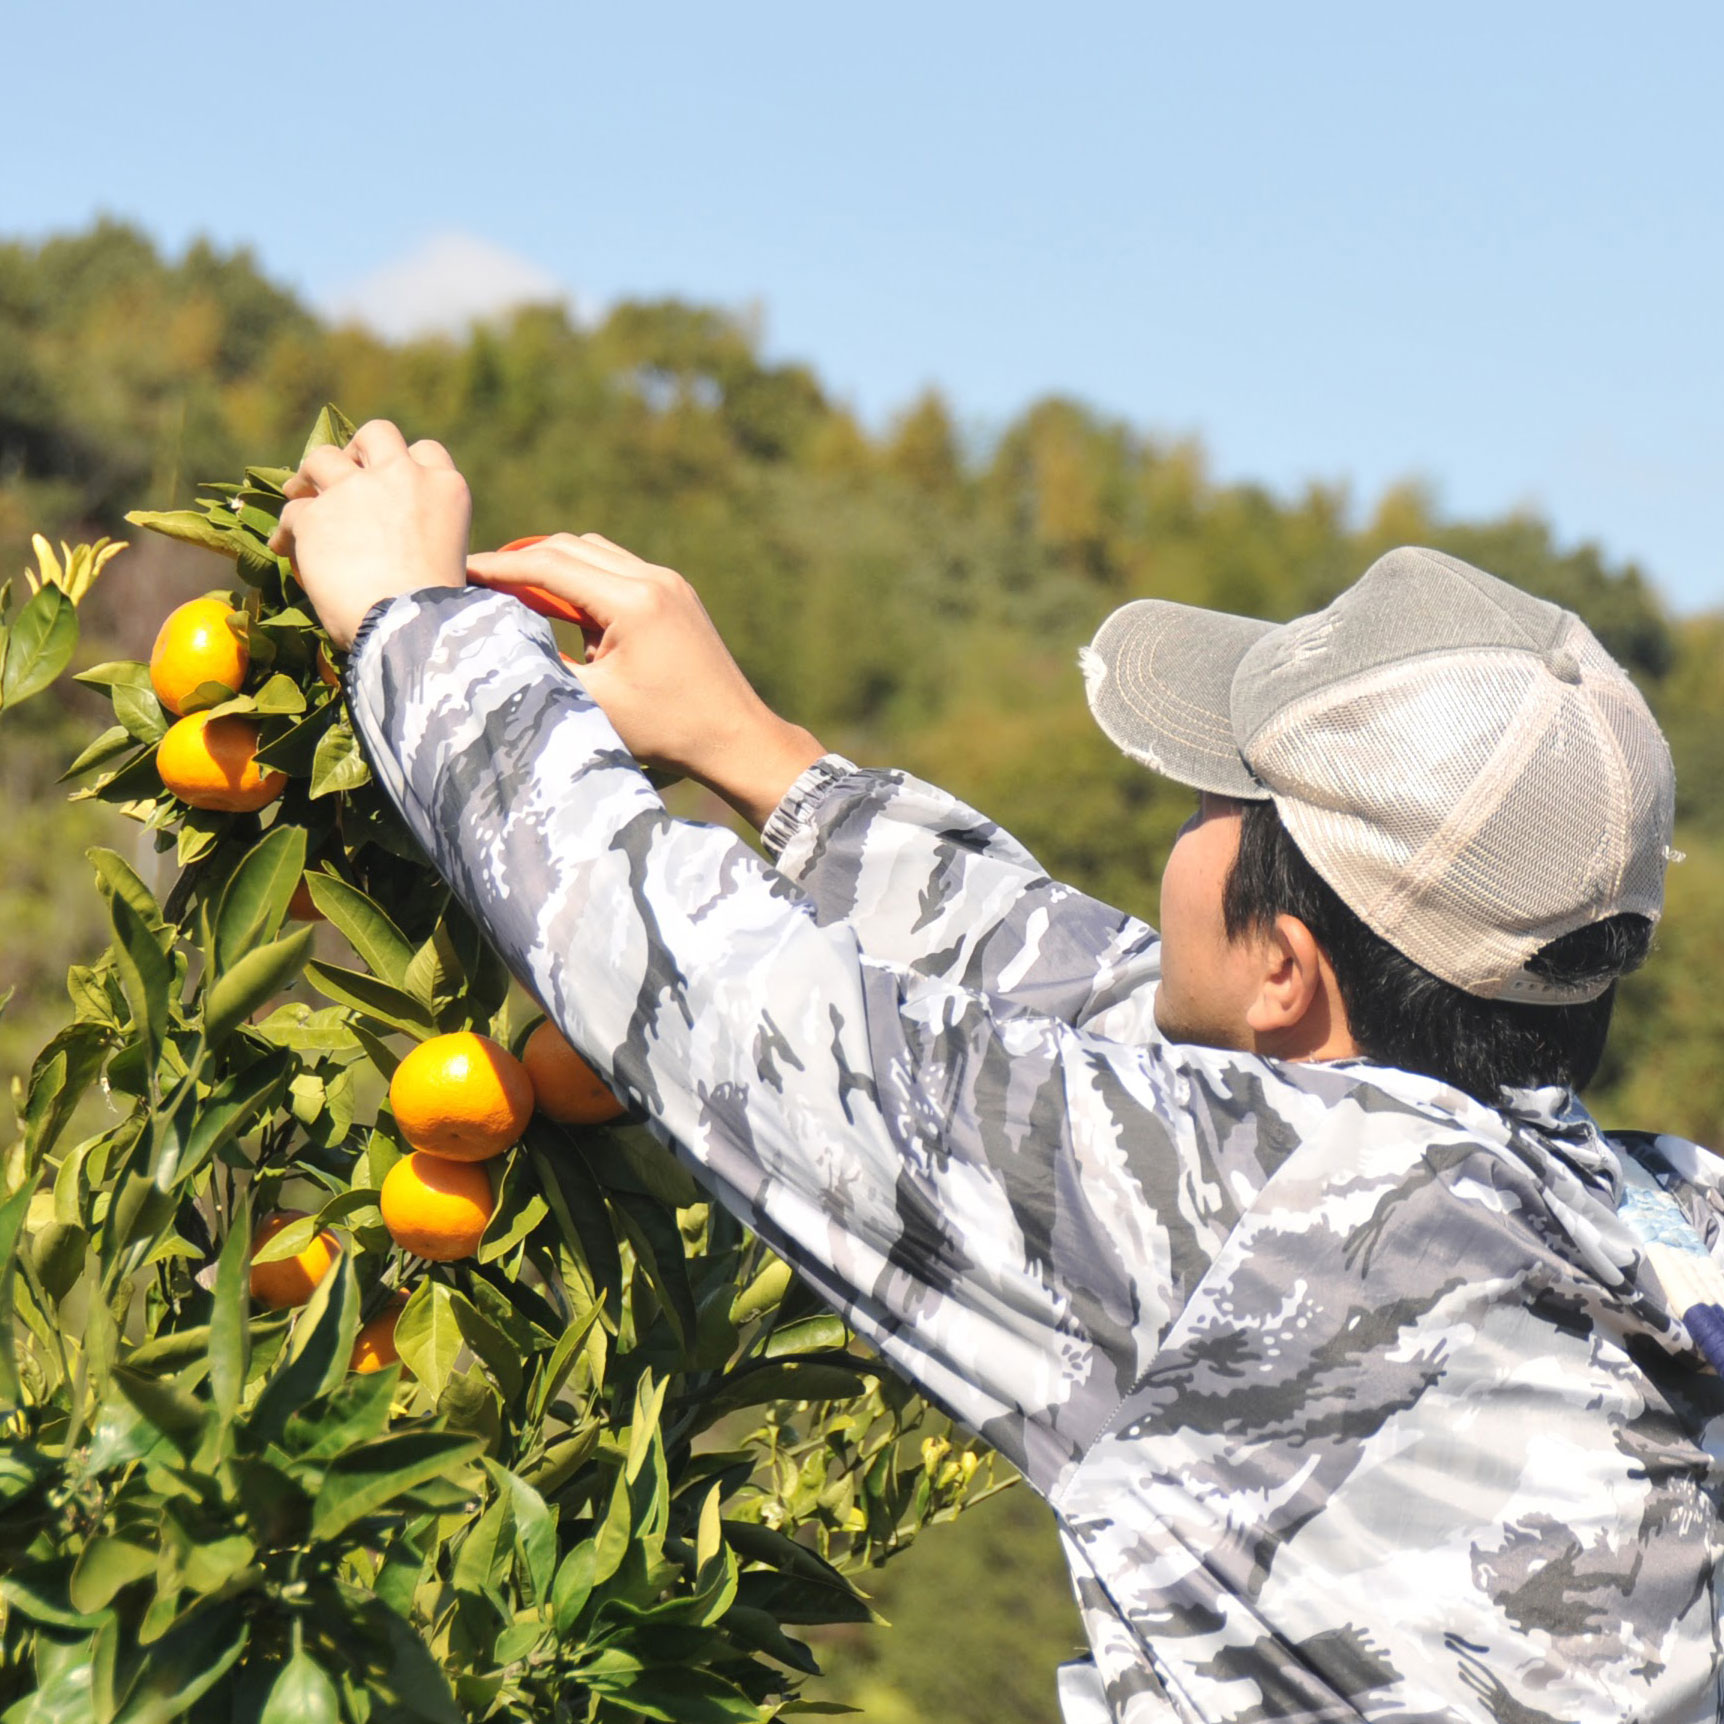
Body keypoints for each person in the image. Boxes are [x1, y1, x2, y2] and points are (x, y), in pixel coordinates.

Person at [272, 421, 1724, 1724]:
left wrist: (416, 624)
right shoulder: (1659, 1223)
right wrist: (757, 754)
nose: (1188, 835)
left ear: (1284, 967)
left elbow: (712, 1001)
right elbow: (1101, 1015)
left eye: (1227, 803)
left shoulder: (1262, 1223)